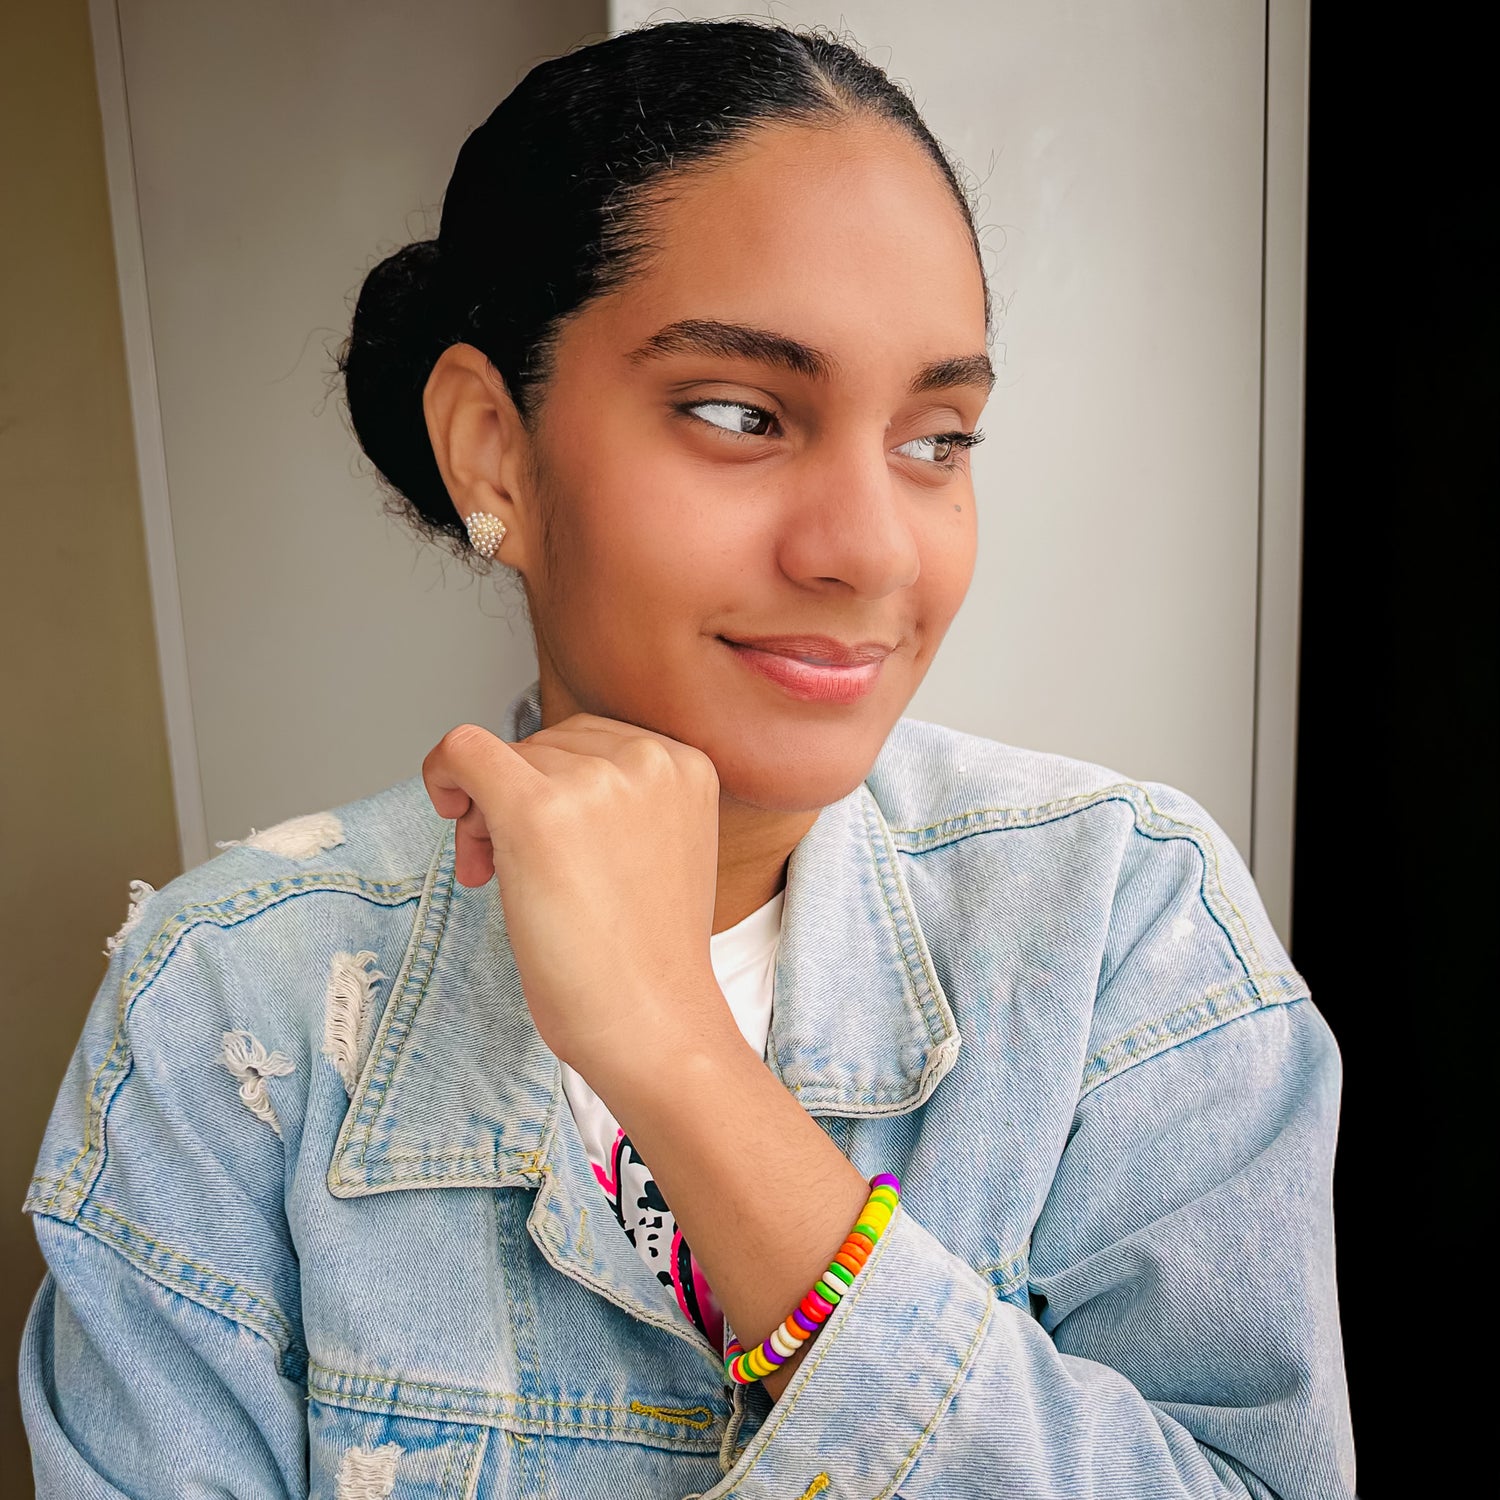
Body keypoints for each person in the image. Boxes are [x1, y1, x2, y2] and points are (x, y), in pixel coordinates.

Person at [18, 18, 1355, 1499]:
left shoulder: (1123, 922)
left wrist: (683, 1060)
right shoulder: (233, 999)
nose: (869, 550)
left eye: (938, 439)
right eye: (741, 414)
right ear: (490, 450)